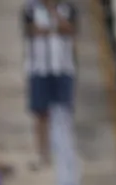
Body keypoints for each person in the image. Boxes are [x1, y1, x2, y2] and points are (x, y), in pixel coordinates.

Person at [22, 0, 78, 168]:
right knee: (41, 114)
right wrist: (55, 28)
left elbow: (71, 30)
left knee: (63, 113)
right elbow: (31, 31)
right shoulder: (31, 8)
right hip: (39, 68)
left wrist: (54, 16)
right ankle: (43, 154)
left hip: (63, 67)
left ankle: (64, 151)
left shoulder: (67, 8)